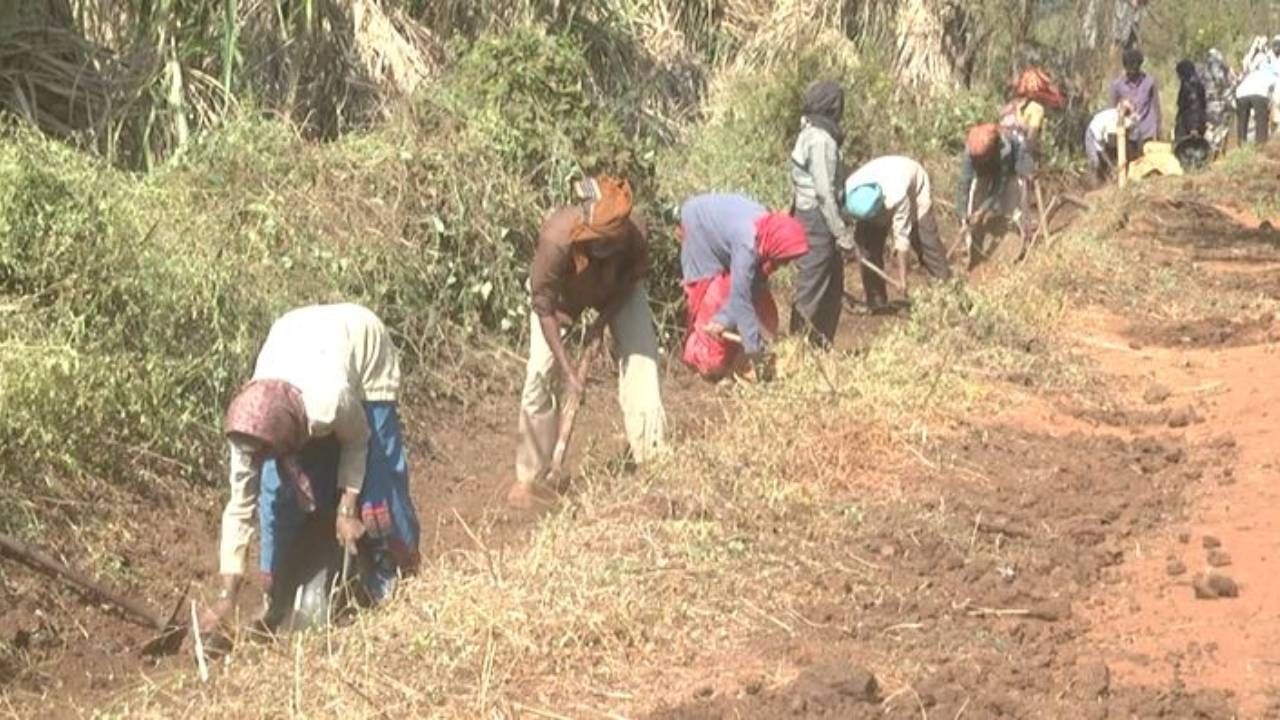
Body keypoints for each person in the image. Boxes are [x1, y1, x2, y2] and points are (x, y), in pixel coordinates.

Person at [201, 303, 420, 633]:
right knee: (275, 493)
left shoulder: (329, 401)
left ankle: (395, 577)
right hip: (295, 337)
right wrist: (225, 596)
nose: (257, 458)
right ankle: (276, 596)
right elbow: (240, 507)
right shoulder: (248, 428)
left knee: (377, 486)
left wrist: (347, 509)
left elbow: (358, 441)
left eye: (268, 453)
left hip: (363, 345)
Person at [510, 176, 666, 509]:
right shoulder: (556, 240)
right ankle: (532, 476)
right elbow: (543, 306)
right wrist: (568, 370)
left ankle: (653, 461)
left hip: (614, 292)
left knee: (643, 361)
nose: (606, 248)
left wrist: (600, 325)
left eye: (612, 242)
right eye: (600, 242)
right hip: (561, 299)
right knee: (539, 374)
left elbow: (630, 282)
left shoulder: (634, 231)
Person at [679, 193, 807, 380]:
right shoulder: (747, 243)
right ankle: (696, 356)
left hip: (724, 233)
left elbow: (753, 284)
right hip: (699, 230)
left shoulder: (767, 234)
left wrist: (724, 319)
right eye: (785, 259)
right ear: (778, 247)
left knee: (757, 312)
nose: (786, 264)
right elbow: (741, 299)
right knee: (711, 303)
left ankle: (734, 354)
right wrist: (756, 355)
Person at [843, 156, 952, 309]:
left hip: (914, 185)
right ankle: (877, 302)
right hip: (883, 180)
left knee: (926, 241)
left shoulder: (898, 195)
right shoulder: (849, 191)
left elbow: (902, 240)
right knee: (867, 246)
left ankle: (948, 290)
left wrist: (903, 279)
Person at [788, 80, 849, 348]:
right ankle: (796, 348)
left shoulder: (809, 132)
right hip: (818, 220)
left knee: (832, 286)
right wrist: (841, 234)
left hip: (811, 217)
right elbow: (824, 193)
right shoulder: (821, 141)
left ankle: (821, 346)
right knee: (813, 284)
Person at [955, 123, 1034, 268]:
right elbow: (964, 184)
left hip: (1011, 167)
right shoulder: (971, 151)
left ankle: (1021, 240)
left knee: (1014, 203)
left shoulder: (1005, 148)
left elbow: (999, 186)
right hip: (986, 168)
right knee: (974, 201)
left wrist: (984, 209)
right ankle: (970, 247)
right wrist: (963, 217)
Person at [1111, 48, 1161, 151]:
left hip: (1148, 132)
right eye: (1130, 71)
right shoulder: (1117, 85)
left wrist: (1158, 129)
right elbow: (1113, 109)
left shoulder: (1150, 82)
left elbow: (1156, 107)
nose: (1132, 74)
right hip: (1128, 135)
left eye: (1135, 71)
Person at [1200, 48, 1237, 153]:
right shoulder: (1223, 70)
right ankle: (1213, 149)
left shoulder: (1205, 70)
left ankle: (1211, 149)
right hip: (1216, 103)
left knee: (1213, 127)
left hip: (1214, 103)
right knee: (1216, 127)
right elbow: (1229, 84)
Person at [1235, 66, 1277, 145]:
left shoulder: (1253, 73)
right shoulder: (1274, 76)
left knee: (1242, 121)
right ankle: (1261, 145)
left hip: (1241, 94)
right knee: (1261, 119)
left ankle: (1241, 145)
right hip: (1259, 93)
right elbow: (1277, 95)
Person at [1084, 107, 1121, 184]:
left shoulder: (1117, 116)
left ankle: (1107, 178)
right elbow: (1102, 150)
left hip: (1101, 134)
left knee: (1107, 159)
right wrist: (1112, 166)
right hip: (1092, 134)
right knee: (1095, 162)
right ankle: (1093, 184)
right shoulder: (1100, 132)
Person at [1174, 59, 1207, 142]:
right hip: (1188, 123)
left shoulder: (1191, 86)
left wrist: (1194, 127)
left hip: (1190, 127)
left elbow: (1195, 107)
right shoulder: (1190, 83)